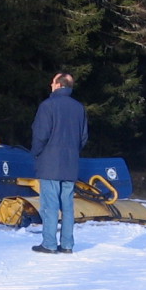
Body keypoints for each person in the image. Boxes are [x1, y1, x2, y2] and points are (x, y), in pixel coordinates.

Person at [30, 71, 89, 254]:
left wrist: (35, 153)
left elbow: (41, 134)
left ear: (58, 85)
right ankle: (67, 244)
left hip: (50, 163)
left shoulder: (48, 106)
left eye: (52, 82)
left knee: (50, 205)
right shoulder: (79, 108)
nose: (50, 85)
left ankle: (49, 243)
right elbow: (83, 137)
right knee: (68, 205)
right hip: (70, 163)